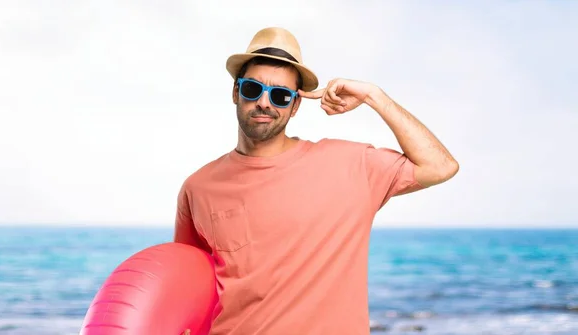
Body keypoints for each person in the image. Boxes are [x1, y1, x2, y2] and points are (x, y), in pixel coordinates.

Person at [174, 27, 459, 334]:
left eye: (281, 95)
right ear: (236, 92)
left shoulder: (349, 166)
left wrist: (373, 95)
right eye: (253, 89)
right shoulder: (198, 187)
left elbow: (440, 166)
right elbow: (190, 285)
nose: (265, 103)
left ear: (295, 106)